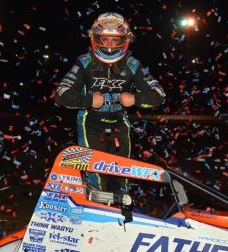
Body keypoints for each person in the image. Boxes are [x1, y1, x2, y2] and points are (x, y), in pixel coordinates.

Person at [54, 12, 166, 191]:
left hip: (120, 124)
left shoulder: (132, 64)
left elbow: (159, 94)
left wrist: (135, 99)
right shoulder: (84, 62)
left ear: (125, 40)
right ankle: (94, 209)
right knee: (95, 175)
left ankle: (123, 213)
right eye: (104, 39)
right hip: (89, 123)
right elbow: (61, 94)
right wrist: (89, 100)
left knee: (122, 174)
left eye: (115, 40)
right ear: (94, 38)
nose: (109, 45)